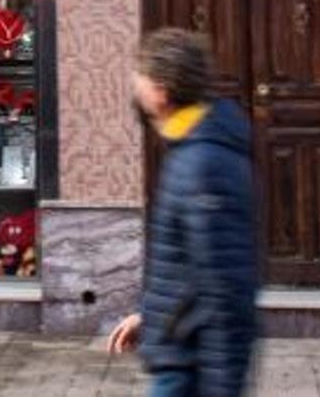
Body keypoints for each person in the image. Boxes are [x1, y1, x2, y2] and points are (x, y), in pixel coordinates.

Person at [108, 28, 258, 397]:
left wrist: (223, 388)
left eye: (140, 76)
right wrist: (151, 316)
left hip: (189, 371)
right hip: (178, 355)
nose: (134, 84)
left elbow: (226, 289)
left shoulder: (203, 162)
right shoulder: (189, 148)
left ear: (162, 90)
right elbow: (188, 266)